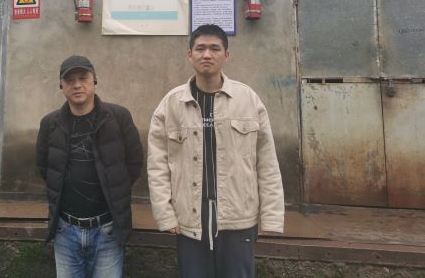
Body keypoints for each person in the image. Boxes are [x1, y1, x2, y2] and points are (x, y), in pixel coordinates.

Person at [147, 24, 284, 278]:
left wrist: (272, 216)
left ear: (226, 55)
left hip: (238, 218)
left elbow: (267, 163)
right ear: (190, 55)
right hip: (190, 218)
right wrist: (165, 215)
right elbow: (158, 166)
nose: (207, 55)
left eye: (214, 48)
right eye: (200, 48)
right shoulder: (171, 104)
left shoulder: (248, 100)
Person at [36, 55, 144, 278]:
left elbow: (134, 163)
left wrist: (116, 188)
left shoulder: (118, 117)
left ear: (95, 80)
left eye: (83, 78)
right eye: (69, 80)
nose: (77, 85)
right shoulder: (50, 124)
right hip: (65, 230)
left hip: (108, 230)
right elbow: (44, 167)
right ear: (61, 85)